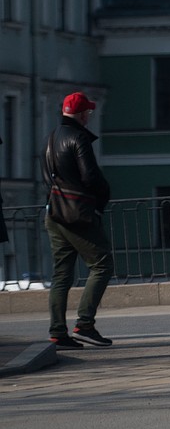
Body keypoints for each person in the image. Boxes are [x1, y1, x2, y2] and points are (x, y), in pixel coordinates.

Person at [43, 92, 114, 349]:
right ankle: (84, 324)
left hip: (54, 213)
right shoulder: (79, 137)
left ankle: (57, 332)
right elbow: (90, 176)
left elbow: (48, 179)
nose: (89, 117)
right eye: (89, 113)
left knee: (61, 274)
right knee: (103, 264)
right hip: (77, 214)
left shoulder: (51, 138)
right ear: (83, 114)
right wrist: (103, 197)